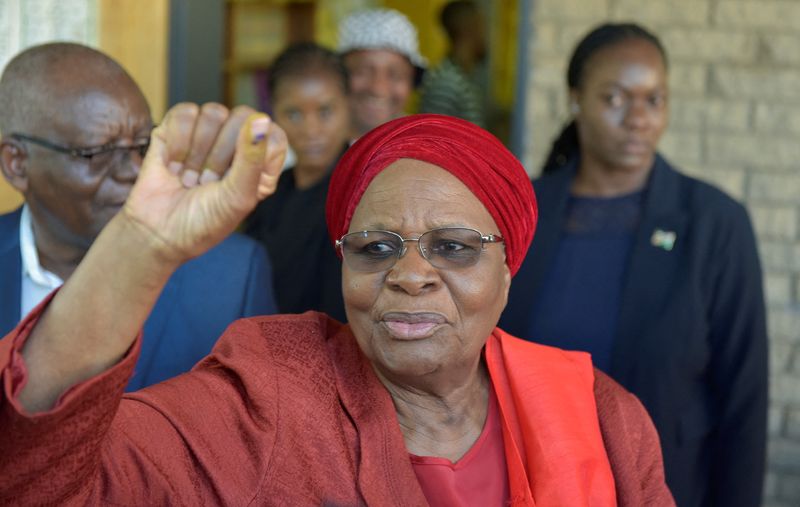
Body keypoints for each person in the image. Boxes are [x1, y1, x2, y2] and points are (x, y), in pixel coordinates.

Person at [0, 111, 674, 506]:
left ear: (507, 270)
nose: (410, 274)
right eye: (375, 246)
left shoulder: (601, 414)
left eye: (454, 247)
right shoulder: (268, 394)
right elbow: (41, 481)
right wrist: (142, 247)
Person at [500, 23, 767, 507]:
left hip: (669, 486)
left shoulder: (714, 222)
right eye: (615, 99)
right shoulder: (524, 212)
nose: (638, 118)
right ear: (577, 99)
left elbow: (744, 398)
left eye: (654, 99)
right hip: (532, 485)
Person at [0, 42, 277, 390]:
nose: (134, 171)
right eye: (96, 153)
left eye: (143, 146)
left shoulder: (232, 276)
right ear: (16, 163)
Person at [244, 43, 349, 322]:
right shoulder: (270, 193)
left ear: (348, 106)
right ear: (273, 113)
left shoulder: (361, 194)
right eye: (293, 114)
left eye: (325, 111)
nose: (311, 130)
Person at [338, 8, 426, 139]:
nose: (378, 89)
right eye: (362, 72)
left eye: (395, 75)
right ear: (337, 74)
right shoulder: (306, 149)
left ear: (412, 80)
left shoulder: (424, 148)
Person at [419, 0, 487, 127]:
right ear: (469, 30)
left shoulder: (462, 78)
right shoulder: (446, 81)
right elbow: (435, 137)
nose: (485, 36)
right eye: (482, 27)